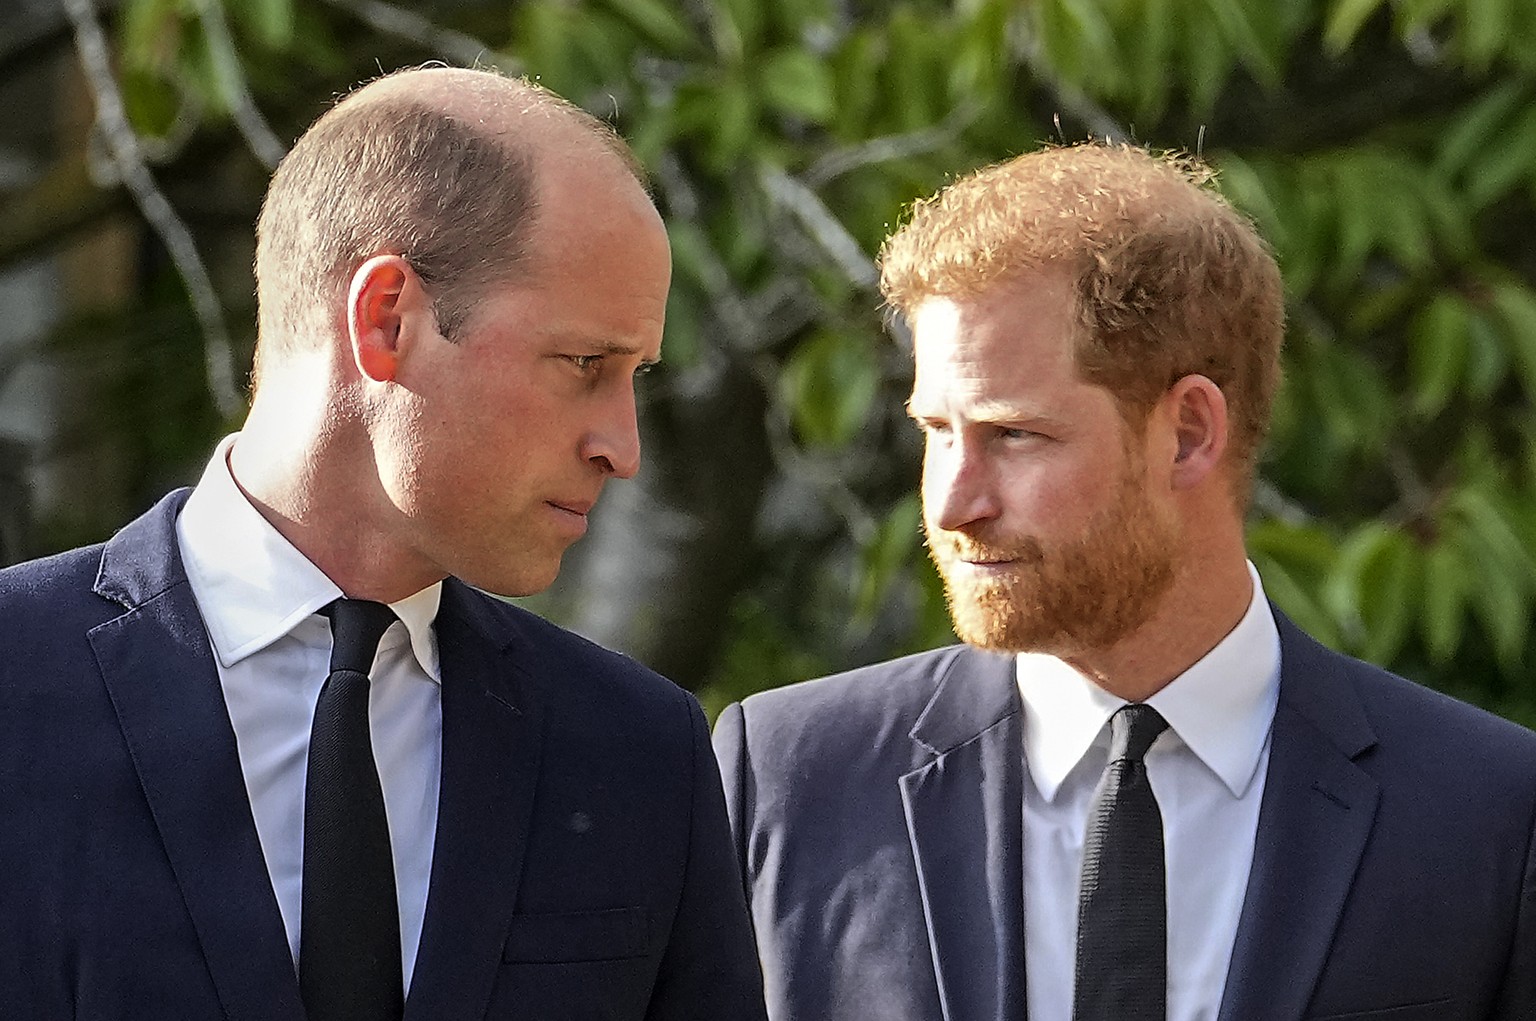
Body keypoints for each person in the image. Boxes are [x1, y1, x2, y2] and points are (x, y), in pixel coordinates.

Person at [0, 66, 767, 1021]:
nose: (624, 447)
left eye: (634, 374)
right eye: (584, 365)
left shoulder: (638, 752)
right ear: (386, 318)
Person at [713, 143, 1536, 1021]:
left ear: (1187, 431)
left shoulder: (1487, 811)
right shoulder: (791, 777)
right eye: (936, 430)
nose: (952, 503)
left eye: (1013, 434)